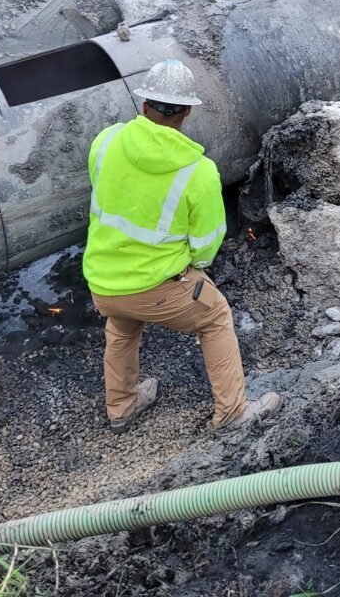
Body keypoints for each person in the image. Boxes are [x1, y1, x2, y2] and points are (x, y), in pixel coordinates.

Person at [83, 58, 282, 435]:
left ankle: (122, 406)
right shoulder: (198, 171)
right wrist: (190, 267)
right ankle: (233, 413)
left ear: (145, 105)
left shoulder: (106, 141)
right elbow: (206, 245)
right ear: (187, 111)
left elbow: (104, 195)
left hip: (103, 281)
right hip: (155, 287)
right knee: (215, 316)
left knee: (122, 330)